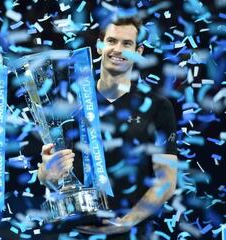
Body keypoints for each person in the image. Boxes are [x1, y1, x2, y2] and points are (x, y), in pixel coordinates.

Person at [37, 16, 178, 239]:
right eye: (111, 41)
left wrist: (124, 224)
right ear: (100, 45)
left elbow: (167, 182)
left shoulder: (158, 108)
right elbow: (46, 174)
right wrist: (47, 173)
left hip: (130, 232)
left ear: (138, 52)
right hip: (74, 231)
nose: (118, 49)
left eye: (127, 44)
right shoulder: (68, 102)